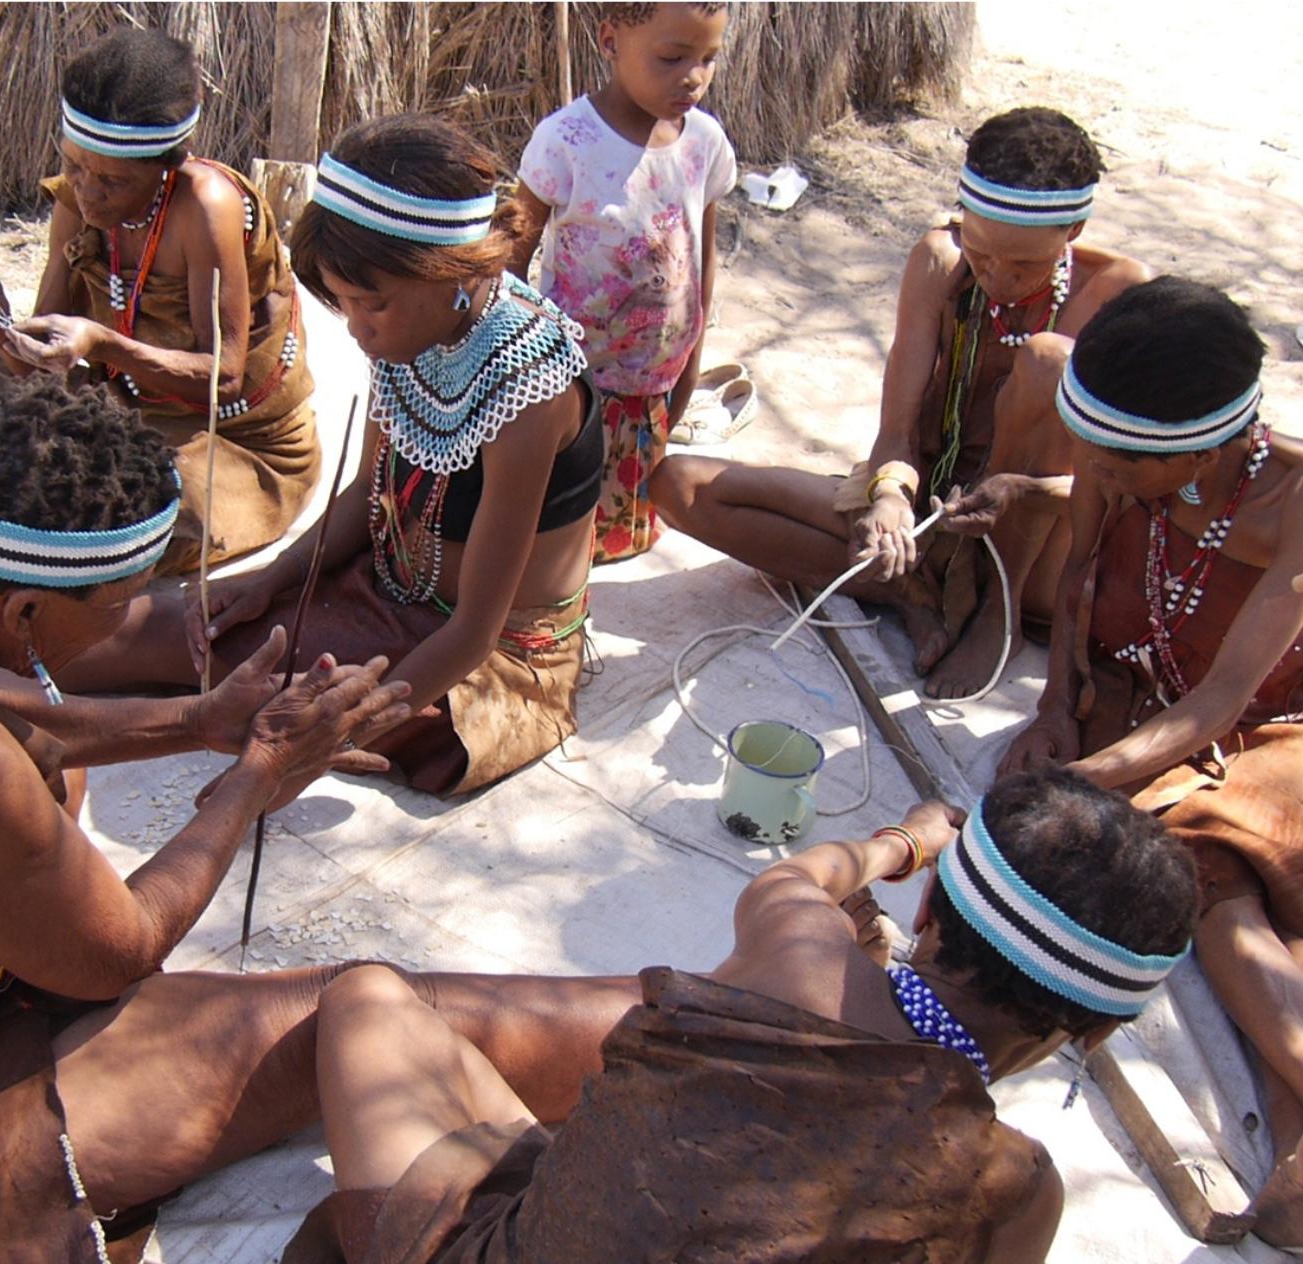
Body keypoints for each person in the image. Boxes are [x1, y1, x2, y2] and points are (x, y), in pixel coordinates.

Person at [0, 377, 411, 1264]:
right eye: (118, 603)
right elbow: (122, 950)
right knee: (363, 1012)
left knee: (48, 761)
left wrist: (197, 721)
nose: (131, 618)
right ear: (23, 610)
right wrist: (256, 777)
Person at [274, 763, 1199, 1264]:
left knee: (367, 999)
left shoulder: (797, 947)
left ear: (927, 914)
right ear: (1093, 1033)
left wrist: (904, 842)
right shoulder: (1018, 1189)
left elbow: (798, 877)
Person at [952, 276, 1303, 1245]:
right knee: (1233, 885)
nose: (1093, 463)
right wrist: (1058, 703)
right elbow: (1080, 580)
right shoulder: (1121, 451)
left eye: (1117, 454)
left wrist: (1078, 780)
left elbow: (1224, 702)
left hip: (1269, 721)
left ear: (1204, 445)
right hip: (1143, 693)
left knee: (1261, 877)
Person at [62, 115, 604, 797]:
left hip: (490, 659)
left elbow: (471, 633)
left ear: (452, 274)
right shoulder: (420, 332)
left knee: (266, 693)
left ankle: (24, 716)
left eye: (371, 305)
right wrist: (278, 577)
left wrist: (325, 742)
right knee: (187, 625)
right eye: (343, 306)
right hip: (388, 586)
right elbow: (363, 496)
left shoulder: (529, 388)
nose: (358, 330)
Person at [652, 106, 1147, 697]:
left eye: (1022, 265)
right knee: (678, 485)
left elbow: (1120, 486)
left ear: (1074, 231)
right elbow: (899, 431)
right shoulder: (942, 261)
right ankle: (906, 588)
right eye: (983, 252)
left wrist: (1016, 491)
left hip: (1033, 544)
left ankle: (996, 615)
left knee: (1047, 361)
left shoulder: (1116, 295)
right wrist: (889, 497)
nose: (996, 278)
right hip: (931, 510)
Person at [0, 27, 321, 576]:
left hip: (228, 439)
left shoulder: (205, 208)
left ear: (167, 167)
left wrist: (101, 342)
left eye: (111, 180)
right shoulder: (78, 198)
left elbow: (225, 379)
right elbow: (41, 371)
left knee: (128, 526)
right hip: (110, 400)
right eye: (74, 166)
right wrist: (2, 333)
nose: (86, 190)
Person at [512, 1, 737, 563]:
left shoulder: (703, 143)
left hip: (655, 383)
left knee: (627, 532)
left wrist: (690, 362)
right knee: (557, 534)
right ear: (610, 40)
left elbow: (701, 256)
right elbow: (510, 261)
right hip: (572, 384)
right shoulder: (567, 141)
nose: (693, 75)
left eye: (708, 57)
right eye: (672, 56)